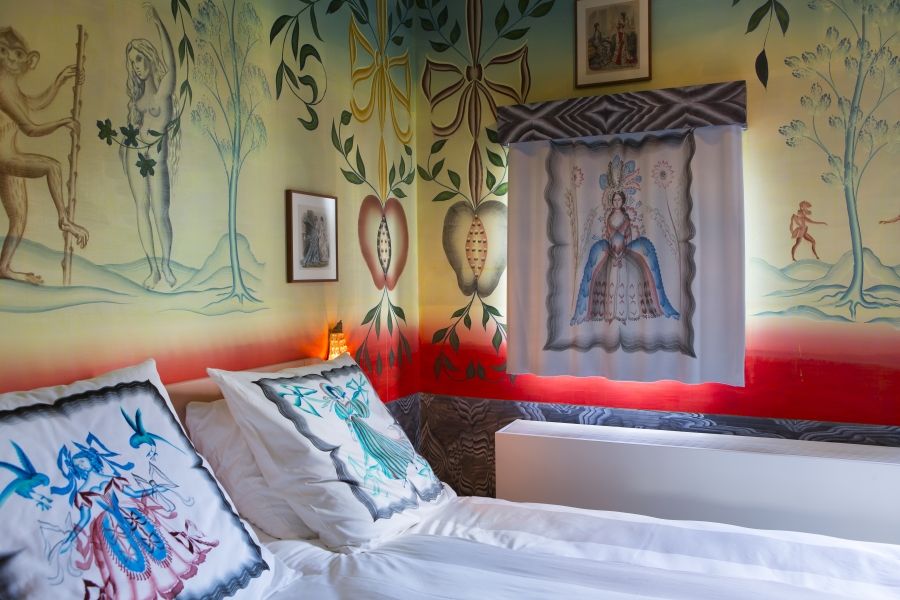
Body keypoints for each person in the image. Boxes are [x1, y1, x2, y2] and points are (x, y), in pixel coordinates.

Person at [45, 438, 214, 598]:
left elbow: (133, 493)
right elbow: (84, 518)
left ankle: (170, 575)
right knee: (125, 558)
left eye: (82, 461)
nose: (81, 465)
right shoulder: (82, 493)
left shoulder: (112, 480)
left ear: (91, 460)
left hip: (130, 516)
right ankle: (141, 590)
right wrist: (70, 537)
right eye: (77, 465)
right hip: (108, 526)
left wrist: (154, 489)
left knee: (154, 542)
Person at [122, 3, 180, 290]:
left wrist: (158, 23)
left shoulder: (162, 93)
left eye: (140, 58)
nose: (136, 65)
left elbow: (171, 62)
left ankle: (166, 265)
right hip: (135, 152)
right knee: (141, 208)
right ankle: (153, 269)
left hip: (157, 156)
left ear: (149, 57)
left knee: (160, 212)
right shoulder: (137, 100)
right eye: (132, 61)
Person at [573, 190, 678, 325]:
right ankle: (611, 314)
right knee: (609, 282)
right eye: (614, 200)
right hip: (611, 255)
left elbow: (628, 239)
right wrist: (611, 253)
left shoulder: (626, 220)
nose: (616, 202)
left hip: (624, 254)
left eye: (619, 200)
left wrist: (621, 254)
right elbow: (608, 239)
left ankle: (625, 315)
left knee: (627, 280)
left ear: (622, 201)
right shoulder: (609, 219)